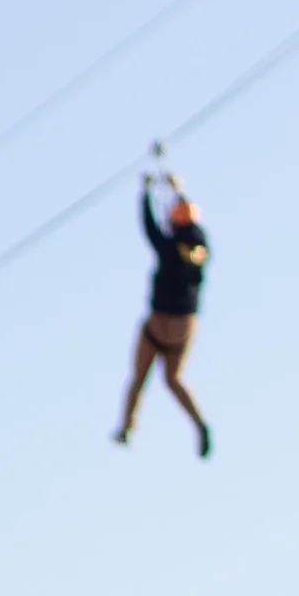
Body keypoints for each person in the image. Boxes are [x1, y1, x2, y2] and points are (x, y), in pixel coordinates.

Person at [115, 173, 212, 454]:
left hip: (158, 325)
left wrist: (145, 195)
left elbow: (149, 228)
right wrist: (179, 189)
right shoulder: (200, 247)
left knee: (138, 380)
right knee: (174, 379)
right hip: (184, 328)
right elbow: (190, 220)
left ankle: (127, 428)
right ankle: (199, 422)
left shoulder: (169, 248)